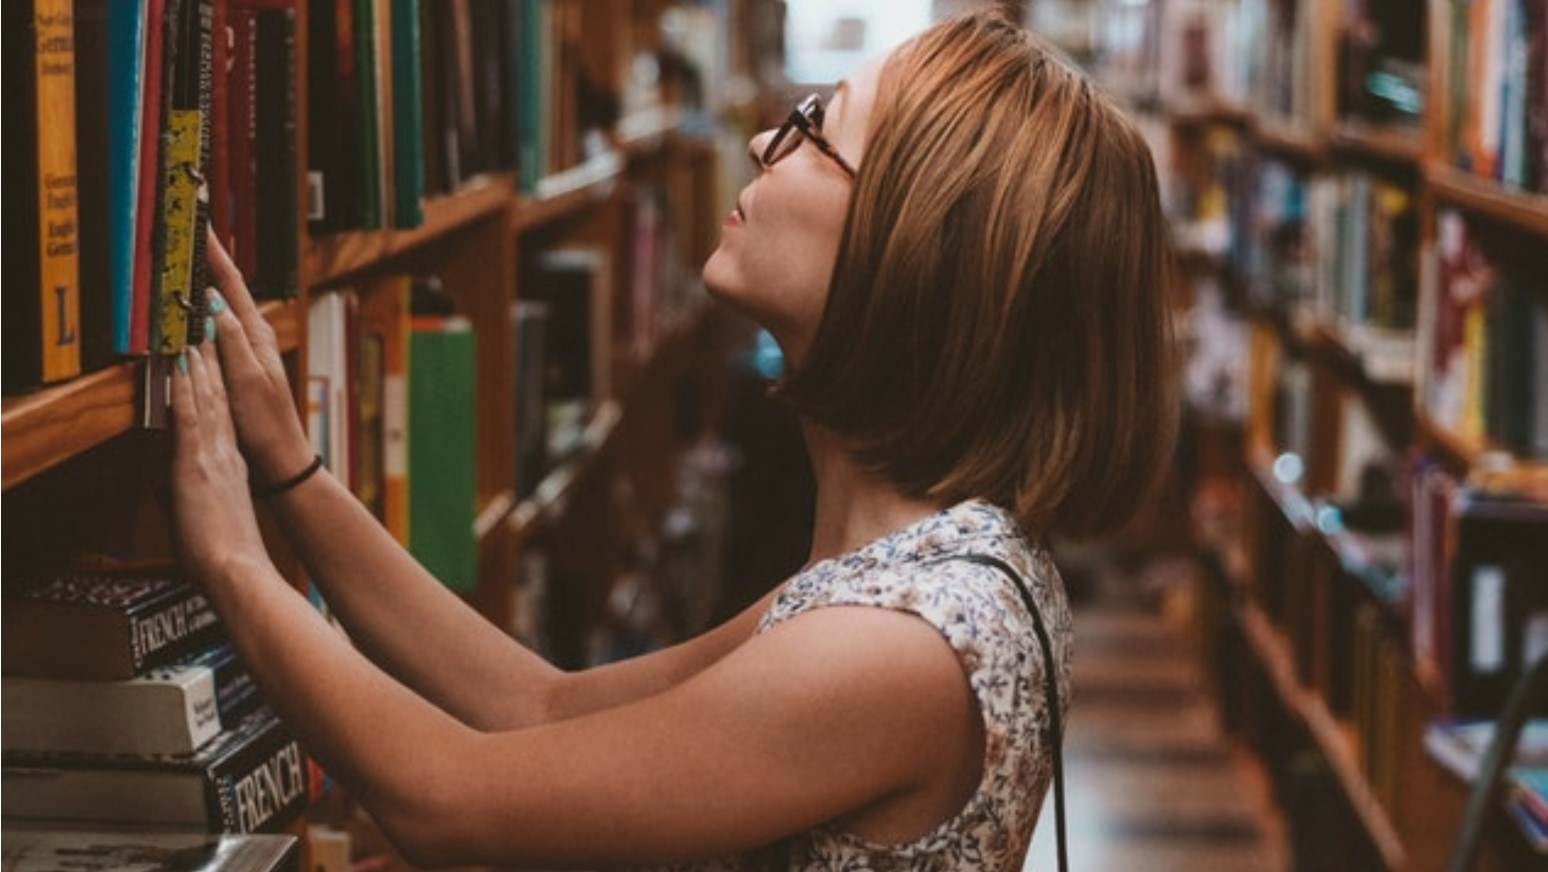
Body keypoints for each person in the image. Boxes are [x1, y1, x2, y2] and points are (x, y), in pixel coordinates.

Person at [169, 9, 1175, 871]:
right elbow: (540, 707)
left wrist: (232, 561)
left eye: (815, 130)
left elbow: (445, 798)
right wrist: (293, 474)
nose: (764, 143)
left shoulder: (900, 641)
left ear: (915, 250)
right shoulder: (909, 571)